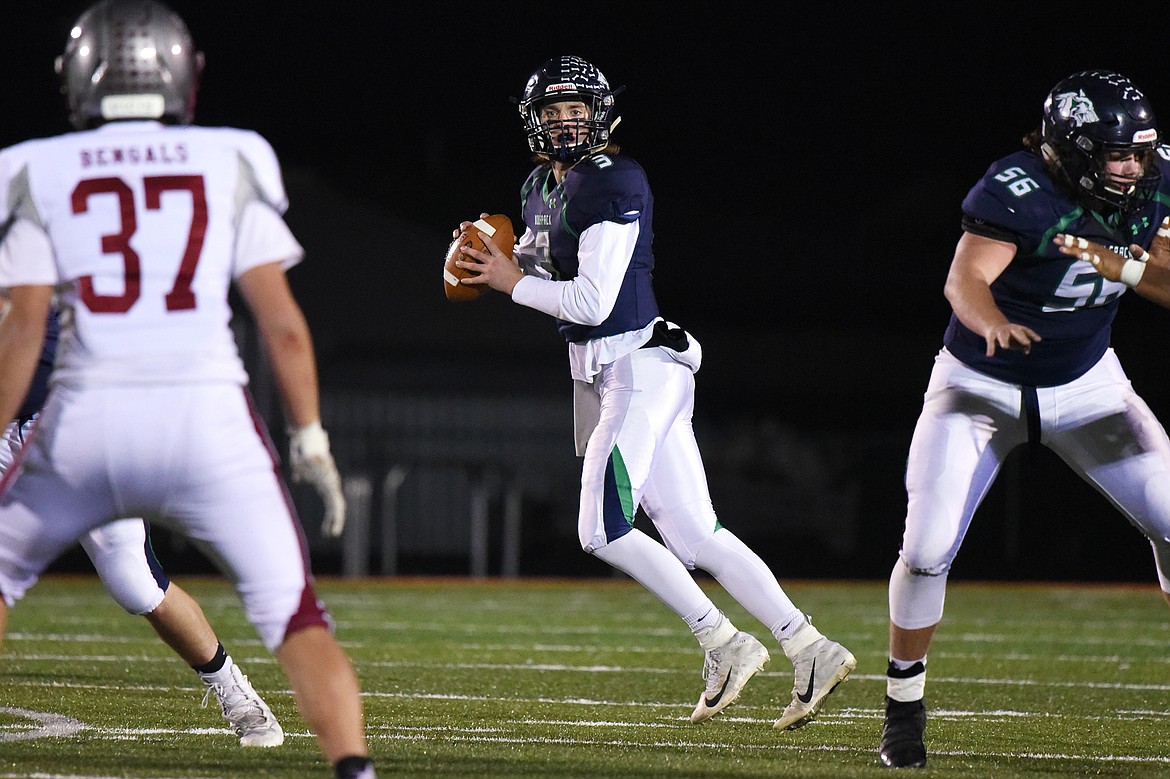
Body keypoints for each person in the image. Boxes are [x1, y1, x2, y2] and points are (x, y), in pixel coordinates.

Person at [0, 2, 374, 777]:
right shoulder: (234, 155)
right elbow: (284, 325)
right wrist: (310, 438)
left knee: (112, 576)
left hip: (73, 413)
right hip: (203, 418)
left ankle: (235, 689)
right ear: (183, 75)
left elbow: (23, 327)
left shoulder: (32, 168)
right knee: (298, 616)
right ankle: (349, 764)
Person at [454, 55, 856, 730]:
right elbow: (538, 256)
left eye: (575, 112)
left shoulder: (615, 179)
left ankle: (723, 641)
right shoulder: (538, 186)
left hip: (635, 367)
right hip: (622, 372)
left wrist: (504, 282)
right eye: (551, 114)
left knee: (600, 528)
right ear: (532, 120)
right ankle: (809, 646)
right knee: (696, 532)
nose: (562, 125)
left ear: (601, 115)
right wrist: (491, 257)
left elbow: (590, 298)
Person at [880, 69, 1170, 769]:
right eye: (1115, 155)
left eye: (1138, 153)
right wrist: (994, 323)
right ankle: (903, 705)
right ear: (1071, 150)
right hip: (979, 388)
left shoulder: (1157, 178)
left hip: (1086, 388)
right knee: (925, 547)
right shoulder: (1018, 187)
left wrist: (1119, 264)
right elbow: (965, 279)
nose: (1131, 167)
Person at [2, 307, 283, 747]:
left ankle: (236, 692)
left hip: (70, 428)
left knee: (134, 581)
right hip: (7, 436)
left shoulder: (51, 255)